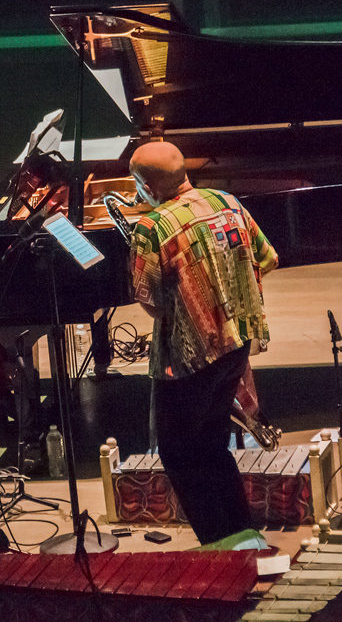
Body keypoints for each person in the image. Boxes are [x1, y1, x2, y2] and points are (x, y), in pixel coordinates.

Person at [127, 140, 279, 545]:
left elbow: (151, 300)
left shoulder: (152, 227)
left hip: (189, 359)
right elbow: (268, 258)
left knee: (180, 456)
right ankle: (246, 538)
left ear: (146, 184)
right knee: (213, 446)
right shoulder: (227, 202)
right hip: (236, 344)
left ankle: (221, 546)